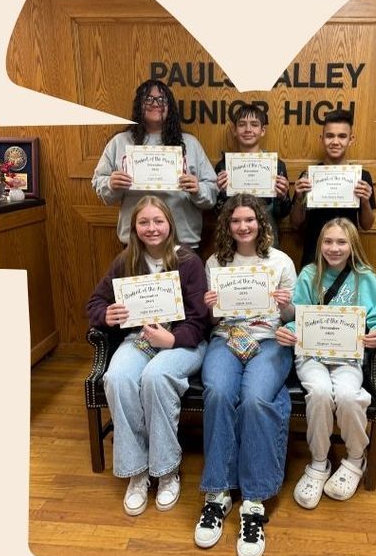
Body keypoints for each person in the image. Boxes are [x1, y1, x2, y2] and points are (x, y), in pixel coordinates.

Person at [85, 196, 210, 515]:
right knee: (118, 377)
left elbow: (200, 321)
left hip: (184, 343)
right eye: (144, 222)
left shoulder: (189, 262)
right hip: (139, 339)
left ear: (170, 224)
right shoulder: (125, 261)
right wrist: (106, 315)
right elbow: (95, 303)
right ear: (134, 227)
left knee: (156, 376)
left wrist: (172, 338)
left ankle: (167, 470)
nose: (152, 228)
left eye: (158, 221)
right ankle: (137, 471)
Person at [195, 194, 297, 556]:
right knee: (220, 392)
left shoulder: (280, 261)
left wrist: (285, 303)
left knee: (256, 399)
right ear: (227, 225)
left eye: (249, 220)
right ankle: (218, 492)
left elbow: (291, 317)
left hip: (268, 339)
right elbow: (209, 321)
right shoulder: (214, 262)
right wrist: (207, 308)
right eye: (236, 220)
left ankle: (254, 500)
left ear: (260, 222)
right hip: (226, 338)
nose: (243, 226)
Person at [276, 218, 376, 506]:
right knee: (319, 393)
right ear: (320, 244)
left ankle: (356, 458)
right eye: (328, 241)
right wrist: (290, 332)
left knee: (347, 396)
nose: (334, 248)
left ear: (352, 245)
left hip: (347, 357)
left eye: (341, 242)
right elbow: (299, 317)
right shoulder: (309, 275)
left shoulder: (366, 278)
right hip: (311, 355)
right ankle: (319, 461)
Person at [93, 79, 218, 248]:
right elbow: (99, 185)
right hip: (136, 243)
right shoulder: (119, 142)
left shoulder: (190, 143)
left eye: (161, 99)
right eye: (148, 99)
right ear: (139, 104)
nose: (155, 103)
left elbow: (212, 193)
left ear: (170, 106)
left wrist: (198, 190)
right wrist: (110, 184)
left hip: (181, 242)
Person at [289, 108, 376, 268]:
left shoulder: (362, 177)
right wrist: (299, 197)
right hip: (314, 253)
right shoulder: (308, 175)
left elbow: (367, 225)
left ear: (351, 139)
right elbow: (295, 223)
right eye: (330, 136)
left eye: (342, 136)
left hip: (347, 254)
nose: (335, 142)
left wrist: (365, 202)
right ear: (322, 139)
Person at [214, 102, 292, 243]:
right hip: (233, 241)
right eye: (242, 124)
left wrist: (283, 197)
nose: (248, 129)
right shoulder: (224, 165)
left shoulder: (276, 165)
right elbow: (217, 213)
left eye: (254, 124)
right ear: (234, 130)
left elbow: (282, 214)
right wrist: (221, 193)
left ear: (263, 130)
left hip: (268, 240)